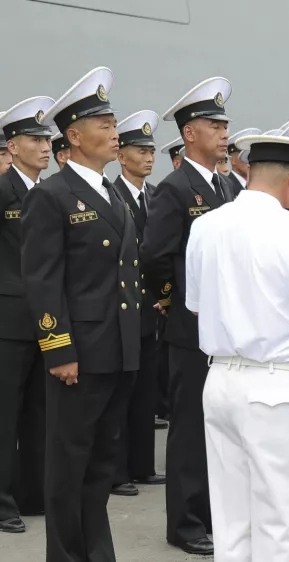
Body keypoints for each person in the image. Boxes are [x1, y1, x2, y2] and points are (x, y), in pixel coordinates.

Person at [187, 132, 289, 562]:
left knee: (231, 518)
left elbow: (196, 307)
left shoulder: (205, 226)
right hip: (278, 386)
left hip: (221, 379)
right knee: (282, 517)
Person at [22, 66, 142, 562]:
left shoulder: (112, 192)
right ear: (73, 136)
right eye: (104, 125)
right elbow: (43, 281)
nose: (115, 133)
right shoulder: (51, 196)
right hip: (79, 355)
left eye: (113, 124)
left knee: (101, 462)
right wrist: (58, 351)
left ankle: (96, 551)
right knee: (69, 464)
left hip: (117, 349)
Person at [142, 76, 235, 556]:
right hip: (190, 328)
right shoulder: (176, 188)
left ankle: (212, 513)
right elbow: (155, 255)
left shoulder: (225, 186)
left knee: (219, 424)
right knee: (191, 427)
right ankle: (185, 523)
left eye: (225, 125)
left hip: (224, 328)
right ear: (190, 133)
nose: (224, 133)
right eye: (214, 126)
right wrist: (172, 300)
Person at [0, 96, 54, 534]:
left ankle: (33, 493)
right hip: (8, 320)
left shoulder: (46, 194)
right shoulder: (3, 190)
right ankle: (2, 503)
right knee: (5, 416)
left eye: (47, 140)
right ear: (13, 147)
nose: (44, 147)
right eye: (34, 140)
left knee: (40, 412)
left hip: (43, 320)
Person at [110, 110, 168, 497]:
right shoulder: (112, 196)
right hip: (123, 306)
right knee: (122, 392)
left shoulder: (154, 195)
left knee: (146, 389)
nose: (148, 158)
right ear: (121, 156)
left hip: (151, 308)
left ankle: (143, 465)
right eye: (140, 151)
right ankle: (117, 471)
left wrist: (163, 295)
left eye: (151, 151)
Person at [226, 128, 261, 194]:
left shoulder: (258, 185)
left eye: (254, 155)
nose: (251, 161)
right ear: (232, 160)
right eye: (245, 156)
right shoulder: (225, 186)